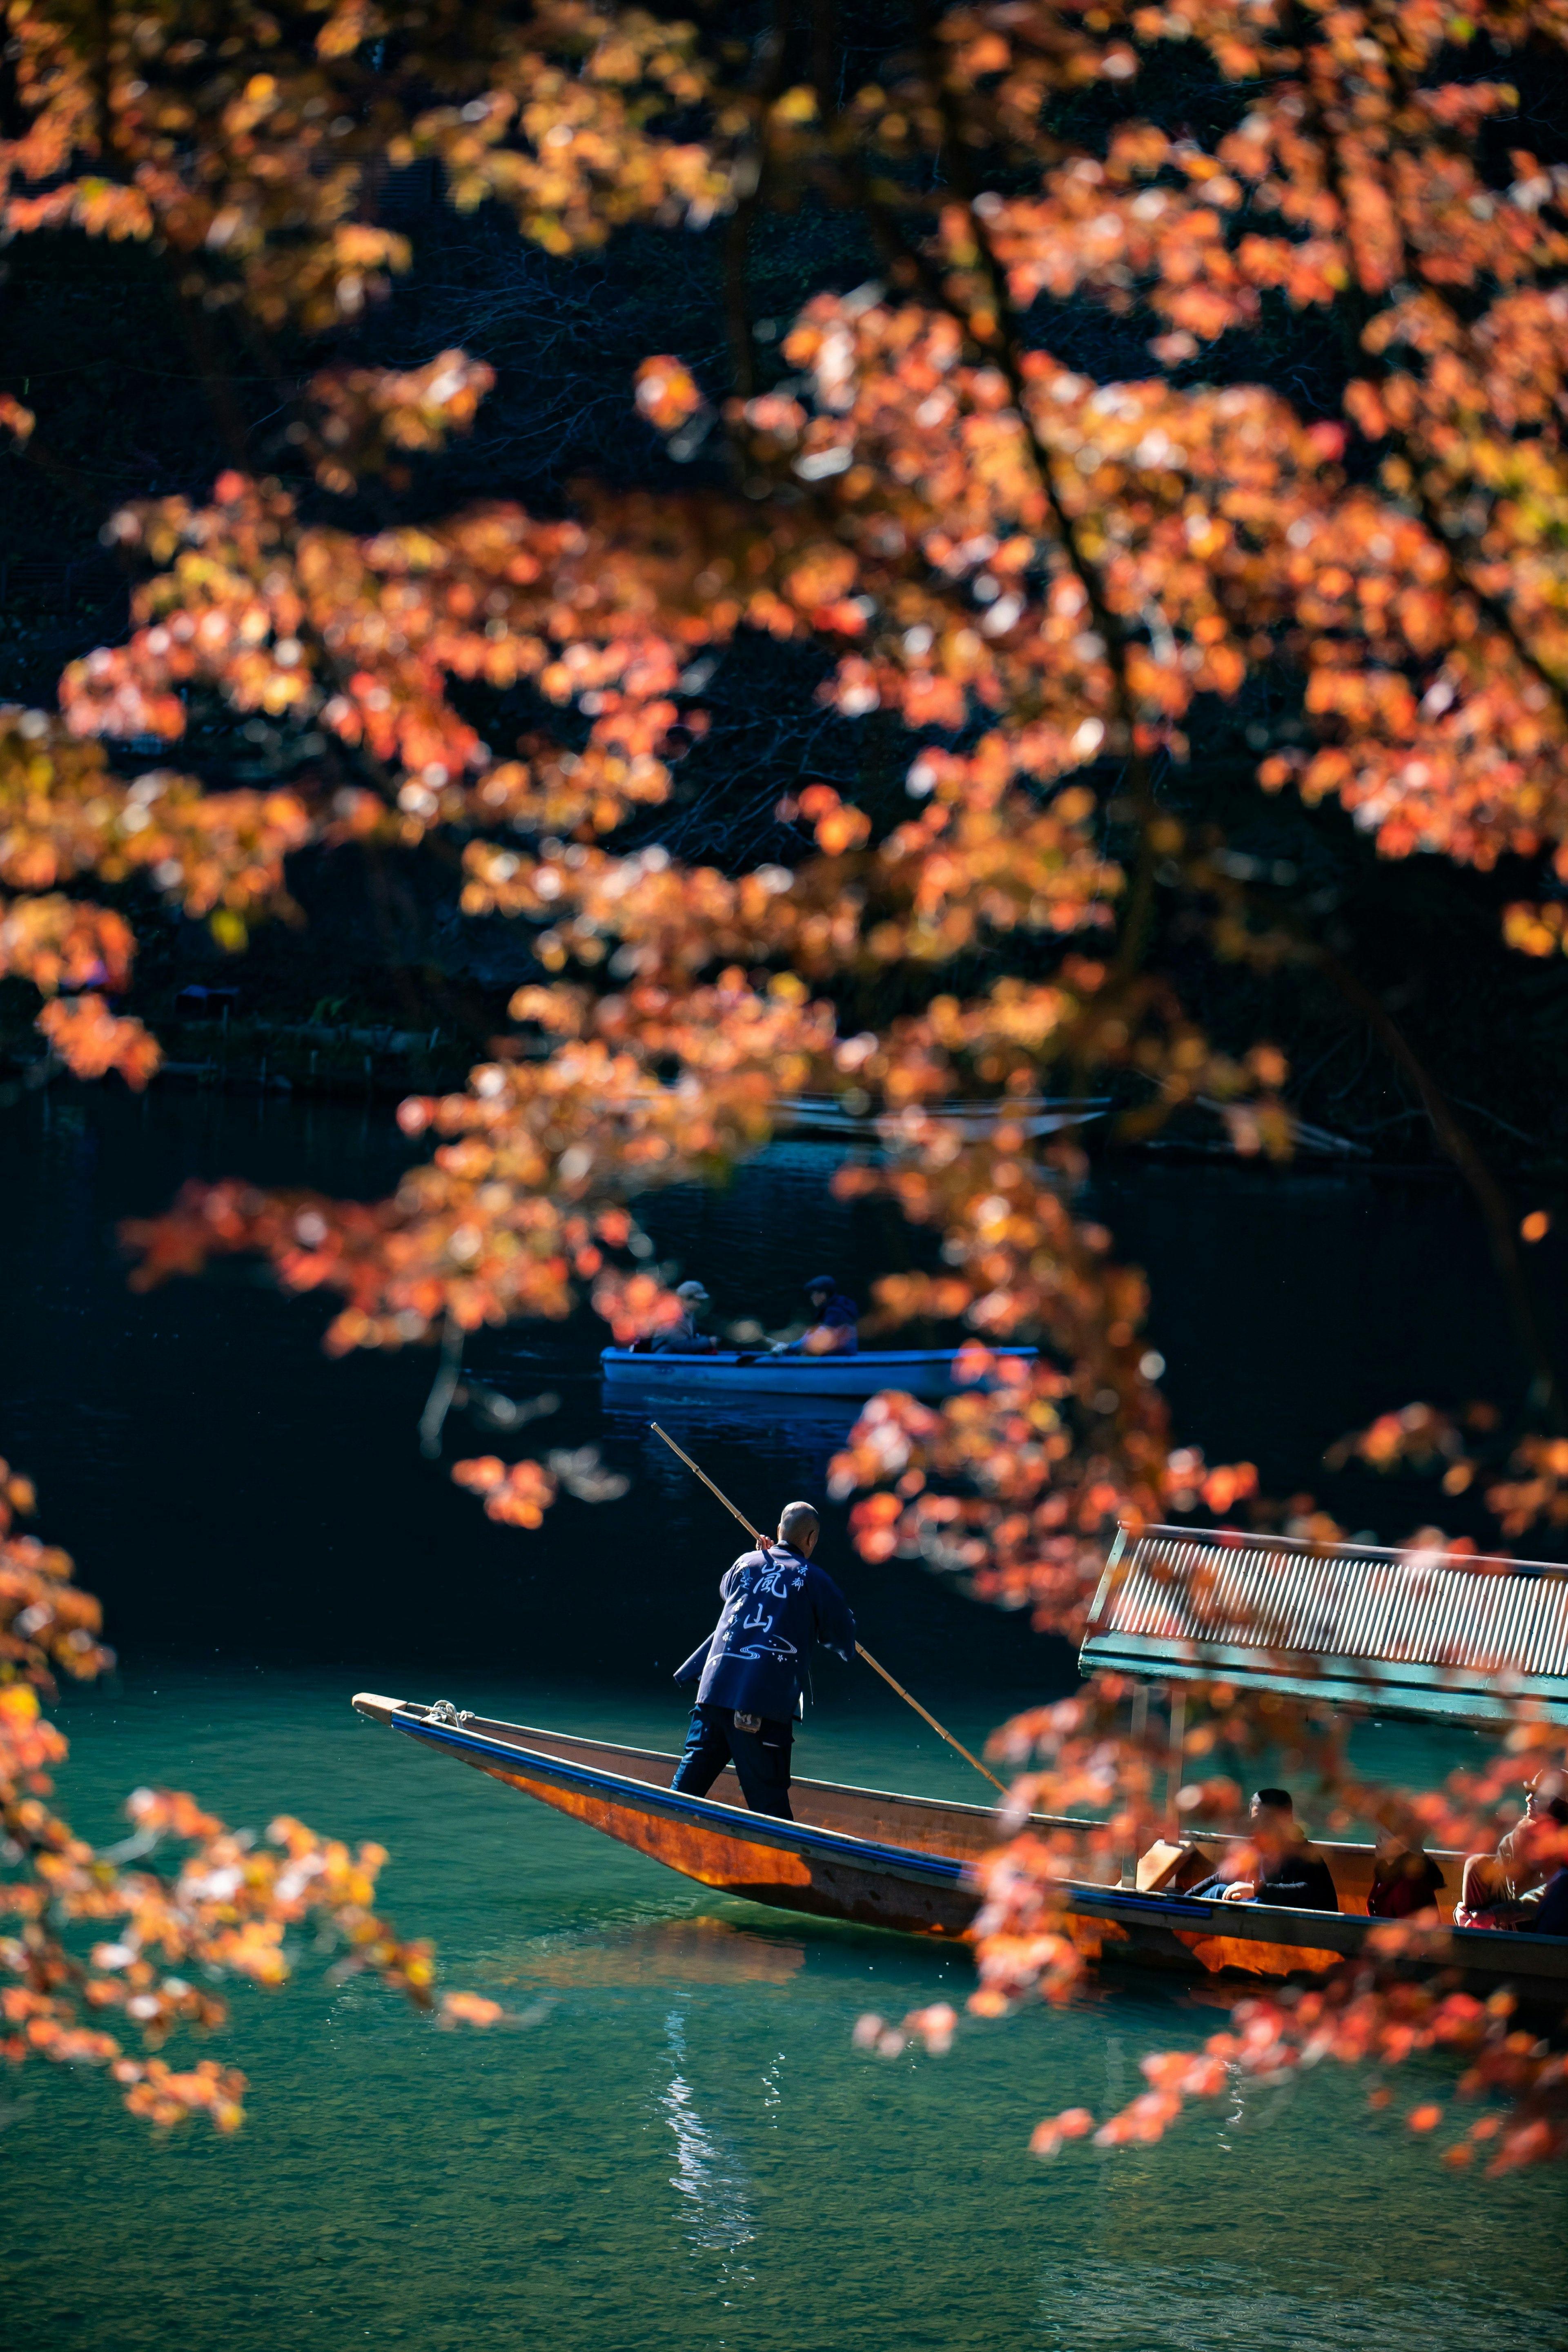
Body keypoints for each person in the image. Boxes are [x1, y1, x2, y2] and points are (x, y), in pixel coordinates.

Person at [670, 1499, 856, 1820]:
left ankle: (657, 1824)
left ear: (778, 1531)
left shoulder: (746, 1562)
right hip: (760, 1708)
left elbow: (728, 1591)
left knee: (684, 1793)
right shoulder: (815, 1580)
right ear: (811, 1539)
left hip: (713, 1695)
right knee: (770, 1806)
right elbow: (842, 1642)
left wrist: (759, 1556)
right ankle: (791, 1867)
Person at [1189, 1788, 1340, 1912]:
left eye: (1268, 1822)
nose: (1259, 1829)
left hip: (1306, 1932)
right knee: (1220, 1890)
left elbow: (1311, 1892)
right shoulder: (1256, 1851)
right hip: (1268, 1926)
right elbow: (1218, 1878)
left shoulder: (1303, 1853)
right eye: (1255, 1823)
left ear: (1288, 1820)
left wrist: (1257, 1890)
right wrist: (1185, 1899)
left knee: (1251, 1900)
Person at [1456, 1773, 1568, 1928]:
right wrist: (1463, 1914)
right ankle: (1474, 1933)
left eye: (1537, 1795)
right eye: (1528, 1792)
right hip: (1515, 1919)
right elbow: (1505, 1885)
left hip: (1550, 1926)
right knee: (1477, 1865)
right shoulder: (1516, 1838)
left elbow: (1553, 1893)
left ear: (1560, 1805)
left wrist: (1496, 1914)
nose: (1528, 1800)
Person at [1367, 1817, 1447, 1920]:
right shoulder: (1387, 1871)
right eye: (1380, 1833)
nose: (1378, 1839)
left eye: (1386, 1836)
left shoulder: (1409, 1887)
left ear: (1403, 1848)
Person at [770, 1274, 860, 1357]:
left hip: (839, 1356)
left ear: (824, 1294)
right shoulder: (834, 1309)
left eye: (815, 1293)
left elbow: (819, 1339)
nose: (812, 1297)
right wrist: (791, 1346)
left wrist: (790, 1348)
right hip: (841, 1354)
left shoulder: (836, 1313)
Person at [648, 1279, 719, 1354]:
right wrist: (708, 1342)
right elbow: (682, 1346)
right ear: (686, 1299)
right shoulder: (672, 1316)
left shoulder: (689, 1315)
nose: (700, 1305)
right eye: (698, 1301)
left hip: (676, 1360)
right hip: (663, 1361)